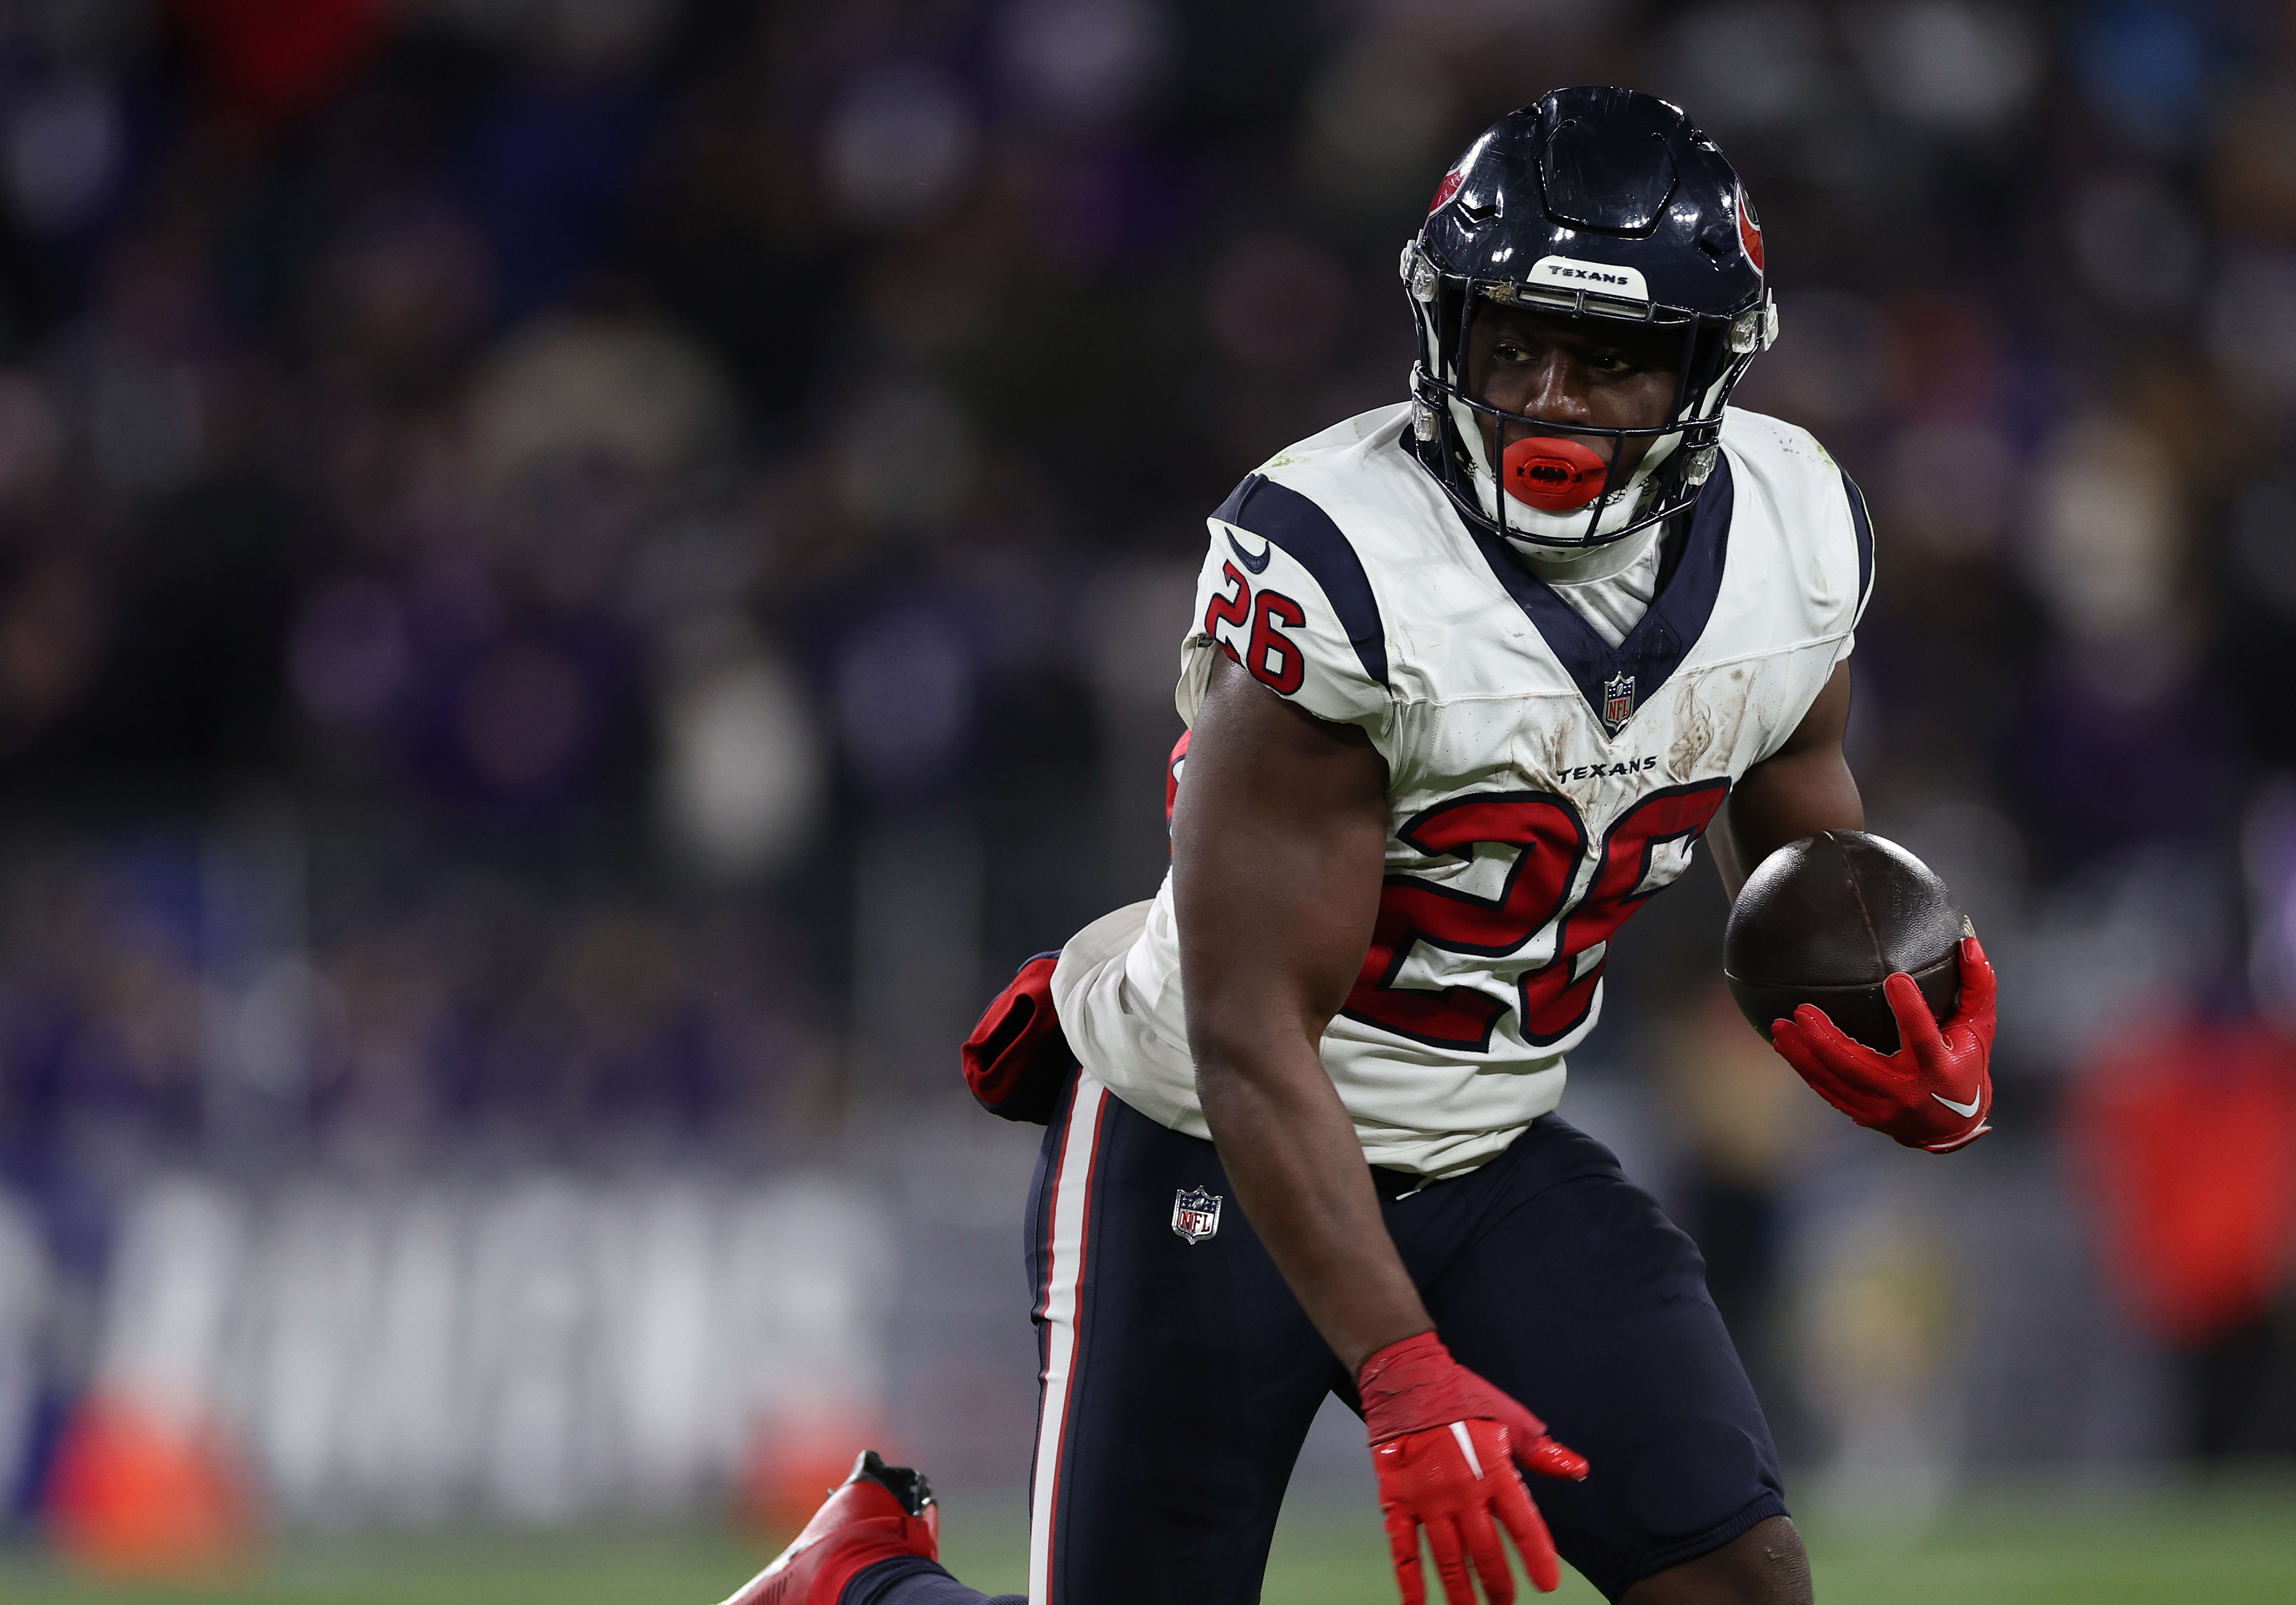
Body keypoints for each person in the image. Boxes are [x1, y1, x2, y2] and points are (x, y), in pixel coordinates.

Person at [727, 85, 1999, 1605]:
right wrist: (1402, 1369)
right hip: (1210, 1140)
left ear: (1705, 368)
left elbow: (1791, 786)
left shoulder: (1795, 529)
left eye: (1606, 358)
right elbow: (1251, 1028)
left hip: (1485, 1144)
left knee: (1737, 1585)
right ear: (1439, 325)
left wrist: (1865, 1000)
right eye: (1509, 339)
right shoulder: (1342, 559)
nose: (1546, 397)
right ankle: (858, 1593)